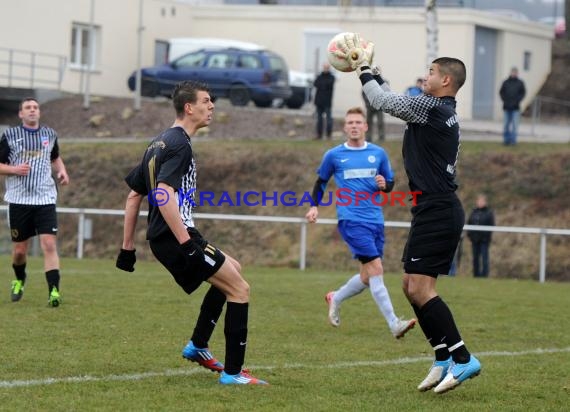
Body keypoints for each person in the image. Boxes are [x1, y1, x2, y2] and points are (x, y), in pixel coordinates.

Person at [340, 38, 480, 393]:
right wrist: (378, 73)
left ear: (445, 81)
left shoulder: (432, 107)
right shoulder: (436, 108)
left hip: (438, 209)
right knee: (409, 285)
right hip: (431, 209)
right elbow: (395, 100)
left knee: (420, 287)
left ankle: (463, 358)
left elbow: (382, 101)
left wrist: (364, 70)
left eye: (431, 72)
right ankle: (442, 356)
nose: (426, 75)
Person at [116, 81, 267, 385]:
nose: (211, 107)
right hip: (177, 237)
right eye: (206, 101)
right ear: (189, 107)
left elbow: (134, 195)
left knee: (233, 271)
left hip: (171, 236)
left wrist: (127, 248)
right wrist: (186, 244)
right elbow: (161, 193)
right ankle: (233, 375)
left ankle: (198, 346)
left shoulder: (158, 142)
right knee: (240, 289)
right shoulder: (180, 144)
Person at [305, 107, 416, 339]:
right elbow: (321, 182)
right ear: (345, 128)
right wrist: (314, 205)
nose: (354, 126)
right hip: (351, 220)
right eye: (350, 122)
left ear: (365, 127)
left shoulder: (379, 153)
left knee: (367, 277)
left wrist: (384, 184)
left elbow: (390, 183)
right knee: (377, 269)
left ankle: (336, 297)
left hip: (375, 220)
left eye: (358, 122)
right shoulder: (334, 155)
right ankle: (394, 323)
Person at [0, 97, 69, 307]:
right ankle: (19, 279)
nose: (32, 110)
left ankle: (54, 292)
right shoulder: (10, 136)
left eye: (35, 107)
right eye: (28, 108)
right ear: (21, 114)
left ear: (39, 112)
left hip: (45, 198)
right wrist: (14, 169)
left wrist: (62, 170)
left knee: (49, 244)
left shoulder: (50, 134)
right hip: (19, 200)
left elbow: (54, 157)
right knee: (20, 251)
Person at [467, 194, 495, 278]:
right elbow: (469, 223)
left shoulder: (489, 213)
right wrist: (470, 236)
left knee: (484, 258)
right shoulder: (473, 212)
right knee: (475, 258)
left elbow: (491, 225)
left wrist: (486, 237)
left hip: (484, 240)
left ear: (485, 202)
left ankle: (484, 275)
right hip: (474, 240)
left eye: (482, 201)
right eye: (478, 201)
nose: (480, 203)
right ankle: (476, 275)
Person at [499, 67, 526, 145]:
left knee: (515, 125)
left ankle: (513, 141)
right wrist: (505, 100)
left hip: (515, 108)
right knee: (506, 125)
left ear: (517, 73)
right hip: (506, 107)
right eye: (513, 72)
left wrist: (518, 100)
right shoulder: (506, 82)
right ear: (510, 73)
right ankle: (506, 140)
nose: (514, 74)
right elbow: (501, 92)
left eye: (515, 72)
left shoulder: (520, 83)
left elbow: (523, 93)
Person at [313, 63, 335, 140]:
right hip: (319, 102)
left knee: (329, 119)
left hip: (327, 102)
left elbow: (327, 85)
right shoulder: (319, 76)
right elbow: (315, 84)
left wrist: (322, 85)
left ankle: (329, 135)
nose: (325, 69)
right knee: (319, 120)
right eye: (324, 67)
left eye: (327, 68)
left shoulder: (332, 77)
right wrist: (323, 85)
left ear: (329, 68)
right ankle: (319, 135)